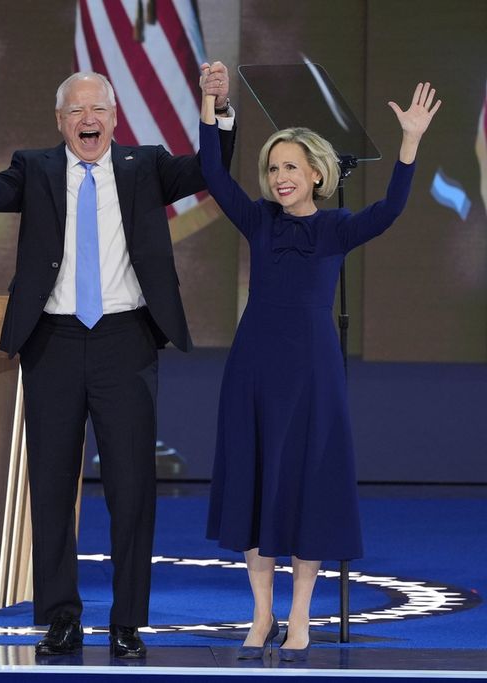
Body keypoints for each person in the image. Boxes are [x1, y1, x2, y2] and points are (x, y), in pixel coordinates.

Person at [0, 65, 237, 658]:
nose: (87, 119)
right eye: (75, 111)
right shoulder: (37, 167)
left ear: (114, 117)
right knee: (50, 486)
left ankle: (128, 621)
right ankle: (61, 618)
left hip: (125, 341)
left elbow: (210, 167)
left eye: (97, 108)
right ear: (59, 122)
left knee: (132, 487)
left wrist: (217, 109)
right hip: (51, 341)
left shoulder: (146, 165)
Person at [200, 80, 440, 662]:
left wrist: (409, 143)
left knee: (306, 485)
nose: (280, 176)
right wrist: (210, 112)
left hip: (312, 374)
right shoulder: (258, 221)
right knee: (257, 486)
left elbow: (391, 209)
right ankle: (261, 614)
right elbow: (213, 175)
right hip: (253, 368)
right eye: (273, 166)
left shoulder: (337, 227)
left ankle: (301, 614)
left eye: (291, 166)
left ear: (316, 175)